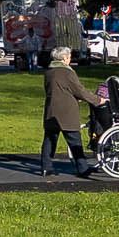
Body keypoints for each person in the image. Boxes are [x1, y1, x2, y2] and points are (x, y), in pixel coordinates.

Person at [41, 46, 101, 177]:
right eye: (69, 57)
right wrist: (97, 100)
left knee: (50, 139)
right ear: (64, 58)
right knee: (74, 140)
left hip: (51, 110)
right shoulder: (67, 72)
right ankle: (82, 168)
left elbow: (58, 90)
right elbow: (80, 90)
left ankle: (46, 167)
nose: (70, 59)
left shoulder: (49, 72)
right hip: (67, 111)